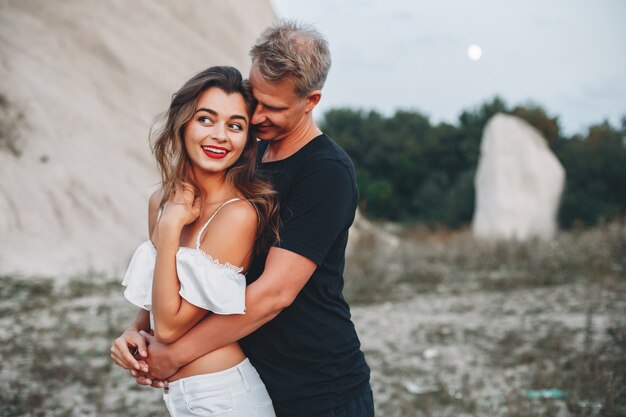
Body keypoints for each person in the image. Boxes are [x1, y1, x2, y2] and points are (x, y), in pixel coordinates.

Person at [111, 20, 374, 417]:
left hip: (316, 386)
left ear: (311, 101)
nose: (257, 116)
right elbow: (189, 263)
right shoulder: (247, 154)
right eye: (255, 99)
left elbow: (273, 295)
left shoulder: (326, 173)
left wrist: (174, 352)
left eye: (275, 107)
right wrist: (141, 328)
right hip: (248, 372)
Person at [112, 65, 279, 417]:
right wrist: (134, 331)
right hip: (179, 397)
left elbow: (171, 327)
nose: (220, 135)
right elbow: (158, 297)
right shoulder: (160, 200)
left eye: (235, 126)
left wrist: (171, 226)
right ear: (183, 122)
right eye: (206, 119)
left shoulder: (237, 215)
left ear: (247, 140)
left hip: (225, 398)